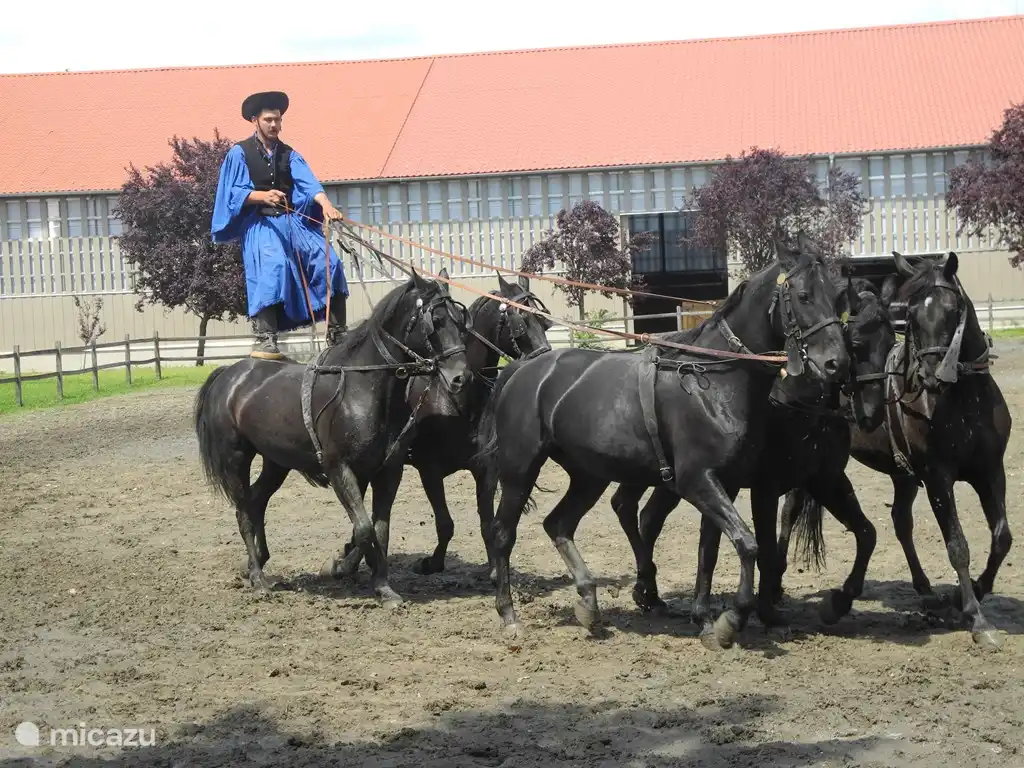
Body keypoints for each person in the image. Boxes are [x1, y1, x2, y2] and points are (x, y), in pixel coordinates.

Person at [211, 90, 349, 359]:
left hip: (292, 223)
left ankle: (337, 332)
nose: (274, 125)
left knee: (329, 261)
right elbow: (233, 193)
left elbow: (309, 184)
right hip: (261, 223)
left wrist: (326, 205)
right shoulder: (239, 153)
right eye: (269, 120)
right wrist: (261, 195)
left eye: (278, 120)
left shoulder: (289, 154)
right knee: (274, 266)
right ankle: (265, 337)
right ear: (255, 121)